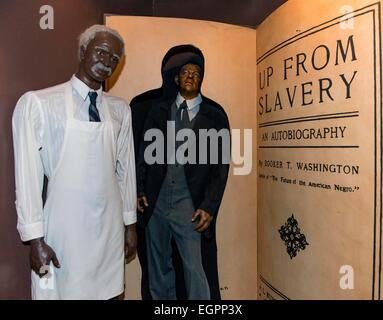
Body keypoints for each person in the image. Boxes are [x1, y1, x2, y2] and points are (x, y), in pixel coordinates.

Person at [12, 24, 137, 300]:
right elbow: (27, 176)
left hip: (109, 229)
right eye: (101, 52)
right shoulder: (40, 104)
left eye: (114, 59)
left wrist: (130, 224)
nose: (107, 63)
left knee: (111, 294)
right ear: (83, 51)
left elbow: (126, 171)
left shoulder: (120, 111)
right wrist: (35, 238)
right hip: (65, 231)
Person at [136, 47, 230, 300]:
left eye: (196, 73)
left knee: (194, 268)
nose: (190, 76)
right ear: (176, 79)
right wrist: (139, 190)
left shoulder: (215, 116)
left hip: (189, 205)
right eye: (185, 72)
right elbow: (144, 154)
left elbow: (220, 169)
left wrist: (209, 206)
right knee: (158, 267)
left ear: (201, 80)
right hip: (155, 202)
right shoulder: (158, 111)